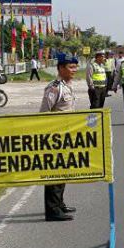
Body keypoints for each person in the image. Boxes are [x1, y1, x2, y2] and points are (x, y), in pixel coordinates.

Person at [40, 53, 79, 221]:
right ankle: (52, 210)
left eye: (75, 67)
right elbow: (44, 113)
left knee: (63, 171)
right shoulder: (54, 87)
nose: (74, 70)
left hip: (67, 135)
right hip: (55, 136)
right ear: (61, 68)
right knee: (54, 173)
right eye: (71, 67)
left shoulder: (68, 85)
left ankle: (59, 203)